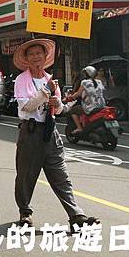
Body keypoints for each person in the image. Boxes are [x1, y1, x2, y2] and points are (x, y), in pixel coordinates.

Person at [13, 38, 99, 232]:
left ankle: (76, 215)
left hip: (50, 133)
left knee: (61, 176)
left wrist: (56, 103)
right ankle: (25, 213)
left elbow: (59, 109)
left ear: (45, 57)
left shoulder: (50, 80)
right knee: (26, 175)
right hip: (30, 133)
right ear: (27, 58)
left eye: (39, 53)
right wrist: (45, 92)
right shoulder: (22, 80)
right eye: (32, 54)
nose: (36, 57)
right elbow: (26, 107)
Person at [64, 66, 107, 135]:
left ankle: (79, 128)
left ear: (87, 74)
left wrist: (70, 97)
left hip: (91, 107)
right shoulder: (99, 82)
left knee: (73, 111)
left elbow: (78, 94)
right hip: (102, 105)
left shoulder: (85, 82)